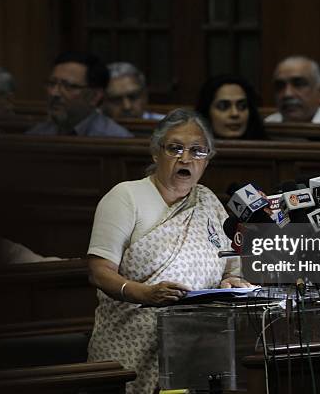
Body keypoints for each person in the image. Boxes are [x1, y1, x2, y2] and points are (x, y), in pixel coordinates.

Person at [86, 109, 248, 393]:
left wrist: (230, 281)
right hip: (131, 344)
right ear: (155, 153)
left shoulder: (208, 201)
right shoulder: (125, 197)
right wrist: (145, 294)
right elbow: (99, 273)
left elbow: (231, 266)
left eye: (198, 151)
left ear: (207, 160)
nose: (186, 158)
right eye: (175, 148)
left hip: (197, 344)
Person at [26, 52, 133, 137]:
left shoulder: (115, 138)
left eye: (68, 86)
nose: (55, 93)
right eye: (52, 83)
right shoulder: (37, 134)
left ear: (95, 96)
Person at [195, 74, 267, 139]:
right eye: (223, 107)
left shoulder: (269, 150)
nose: (235, 113)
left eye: (242, 106)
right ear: (207, 112)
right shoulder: (190, 151)